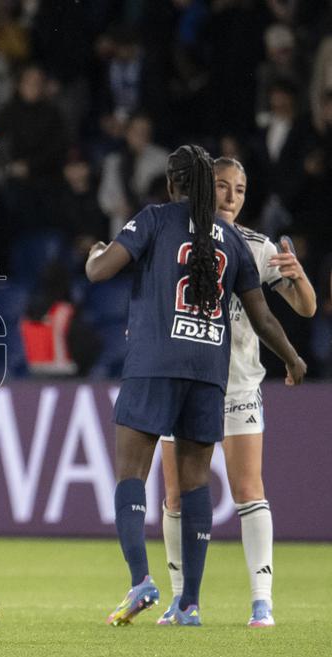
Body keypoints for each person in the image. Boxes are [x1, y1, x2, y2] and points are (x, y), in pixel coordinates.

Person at [85, 145, 306, 628]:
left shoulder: (157, 219)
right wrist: (292, 357)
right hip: (209, 370)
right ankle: (189, 603)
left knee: (132, 473)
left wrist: (94, 255)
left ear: (172, 184)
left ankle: (142, 580)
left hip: (155, 362)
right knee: (195, 484)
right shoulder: (229, 235)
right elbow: (263, 315)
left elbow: (102, 272)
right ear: (209, 187)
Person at [157, 157, 316, 627]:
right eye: (223, 186)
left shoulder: (256, 246)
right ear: (205, 189)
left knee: (248, 489)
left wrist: (298, 273)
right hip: (184, 382)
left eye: (240, 189)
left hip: (238, 384)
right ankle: (182, 598)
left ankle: (262, 601)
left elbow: (305, 308)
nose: (231, 196)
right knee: (176, 497)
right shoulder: (177, 238)